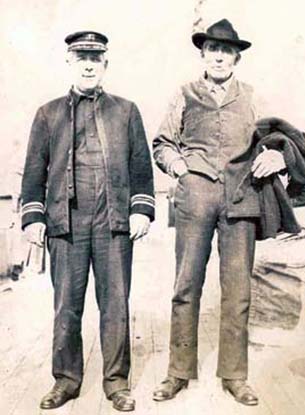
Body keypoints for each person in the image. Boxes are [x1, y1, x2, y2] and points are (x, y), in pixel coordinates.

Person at [152, 18, 290, 406]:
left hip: (241, 199)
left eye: (226, 51)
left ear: (236, 58)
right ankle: (178, 372)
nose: (219, 56)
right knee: (185, 285)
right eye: (212, 49)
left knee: (238, 291)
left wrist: (276, 156)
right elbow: (162, 142)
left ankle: (235, 375)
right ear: (203, 54)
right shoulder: (184, 94)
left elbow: (276, 139)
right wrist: (179, 168)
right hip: (194, 198)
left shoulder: (251, 96)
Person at [21, 31, 154, 412]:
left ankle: (116, 383)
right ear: (69, 62)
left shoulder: (126, 111)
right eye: (82, 57)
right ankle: (65, 380)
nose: (89, 64)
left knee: (115, 305)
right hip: (65, 224)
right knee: (66, 307)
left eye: (96, 57)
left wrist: (140, 210)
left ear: (106, 64)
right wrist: (33, 217)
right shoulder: (47, 114)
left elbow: (141, 169)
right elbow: (34, 174)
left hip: (113, 225)